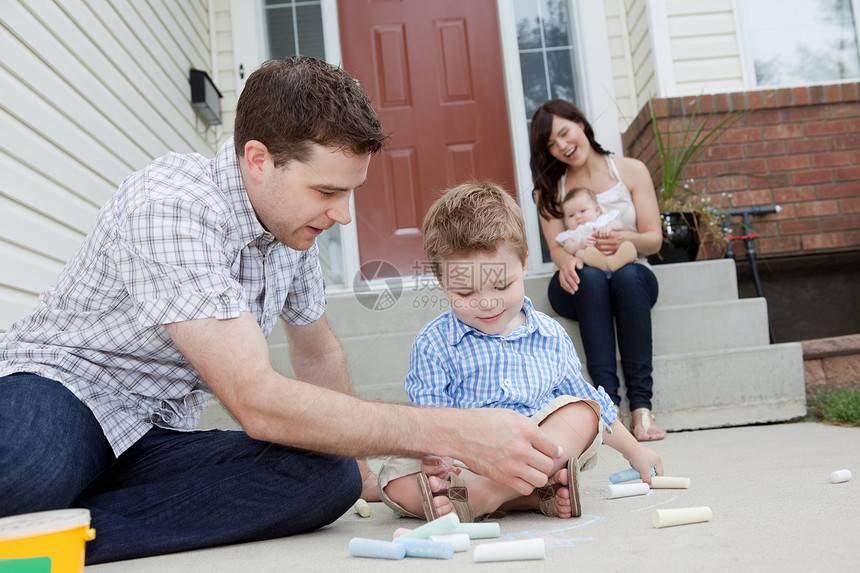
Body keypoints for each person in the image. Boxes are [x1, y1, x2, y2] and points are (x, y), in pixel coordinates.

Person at [0, 57, 563, 564]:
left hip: (150, 438)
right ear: (258, 160)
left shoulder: (291, 234)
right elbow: (255, 401)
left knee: (326, 477)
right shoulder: (171, 205)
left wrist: (363, 472)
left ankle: (50, 538)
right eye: (326, 192)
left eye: (351, 193)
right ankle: (41, 514)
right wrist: (453, 434)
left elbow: (316, 353)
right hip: (61, 392)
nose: (343, 216)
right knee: (29, 469)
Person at [377, 182, 663, 523]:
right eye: (466, 292)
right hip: (468, 458)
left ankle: (489, 495)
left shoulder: (549, 335)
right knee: (394, 481)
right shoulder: (435, 343)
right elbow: (430, 421)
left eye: (501, 285)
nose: (488, 303)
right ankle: (523, 496)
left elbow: (595, 405)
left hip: (536, 450)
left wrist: (636, 451)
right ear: (442, 284)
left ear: (524, 265)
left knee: (583, 412)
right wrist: (436, 459)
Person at [529, 98, 667, 441]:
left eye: (565, 132)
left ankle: (642, 410)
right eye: (551, 144)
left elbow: (654, 240)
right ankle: (608, 410)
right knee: (590, 278)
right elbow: (558, 249)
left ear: (581, 123)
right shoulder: (548, 190)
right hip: (579, 281)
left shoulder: (631, 170)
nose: (562, 146)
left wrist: (625, 237)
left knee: (628, 276)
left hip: (630, 274)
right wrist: (572, 261)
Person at [556, 186, 637, 273]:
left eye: (582, 211)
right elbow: (569, 248)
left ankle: (615, 262)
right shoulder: (570, 234)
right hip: (594, 264)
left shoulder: (603, 220)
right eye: (571, 215)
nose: (577, 217)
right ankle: (604, 264)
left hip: (614, 255)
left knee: (628, 246)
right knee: (579, 253)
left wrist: (608, 227)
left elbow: (619, 225)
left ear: (597, 210)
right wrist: (580, 245)